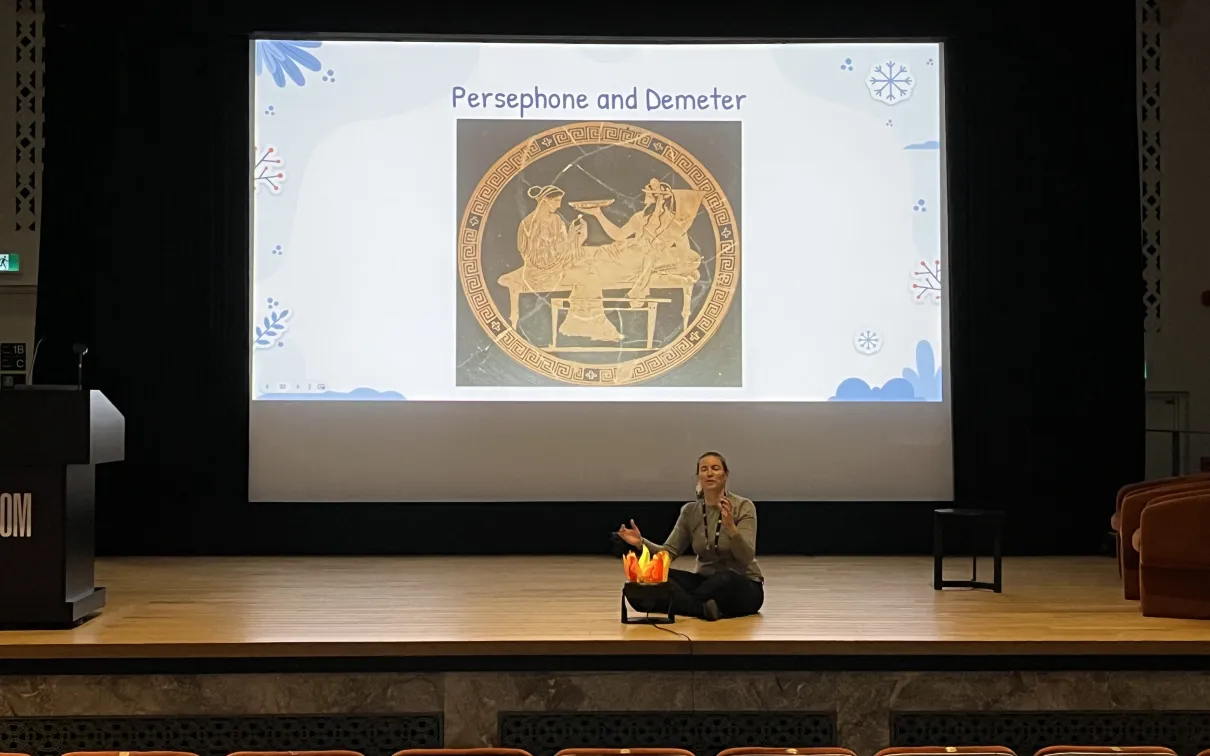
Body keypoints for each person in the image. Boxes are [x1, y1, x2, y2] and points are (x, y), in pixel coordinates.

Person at [617, 452, 764, 621]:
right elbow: (667, 554)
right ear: (698, 477)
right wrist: (640, 543)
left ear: (725, 475)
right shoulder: (690, 511)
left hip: (742, 585)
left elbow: (746, 557)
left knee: (724, 577)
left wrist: (731, 527)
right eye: (704, 469)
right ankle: (703, 608)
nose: (709, 473)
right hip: (704, 583)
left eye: (715, 469)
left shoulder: (743, 506)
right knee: (661, 576)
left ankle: (684, 604)